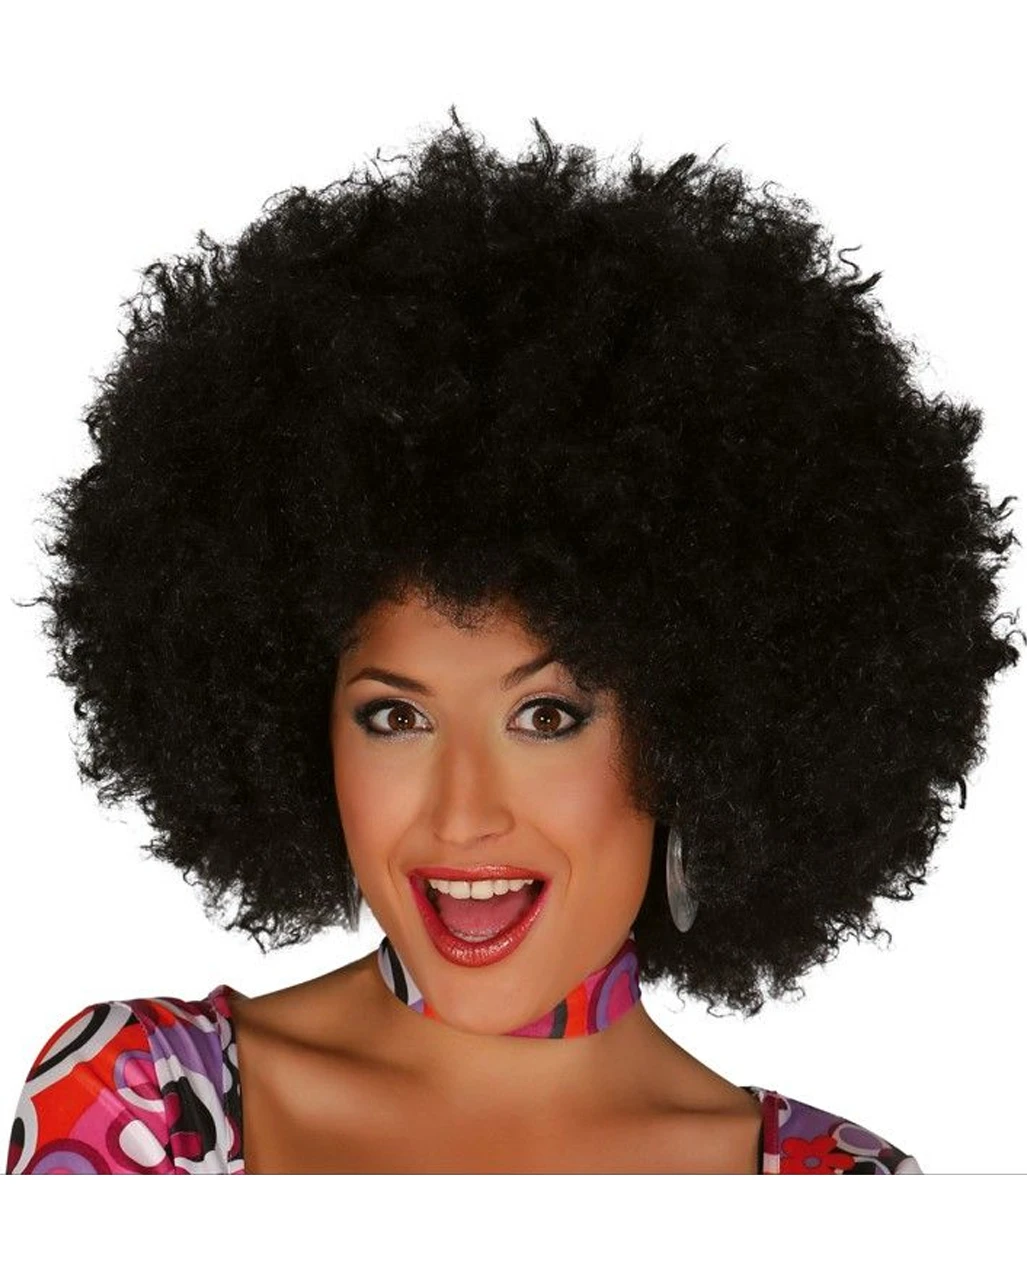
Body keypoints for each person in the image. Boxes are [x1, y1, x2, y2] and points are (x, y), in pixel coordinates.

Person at [6, 107, 1020, 1174]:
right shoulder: (141, 1102)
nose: (461, 813)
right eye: (394, 716)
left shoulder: (842, 1193)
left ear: (700, 743)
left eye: (545, 716)